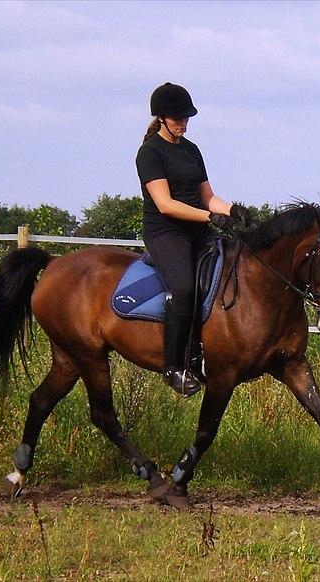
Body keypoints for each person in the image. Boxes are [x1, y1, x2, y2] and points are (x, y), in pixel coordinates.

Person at [135, 82, 248, 396]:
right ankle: (174, 366)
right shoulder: (149, 153)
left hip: (198, 229)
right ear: (162, 118)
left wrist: (234, 210)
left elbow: (208, 197)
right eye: (178, 119)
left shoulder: (191, 150)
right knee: (184, 288)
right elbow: (166, 204)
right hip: (166, 233)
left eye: (186, 118)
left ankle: (206, 351)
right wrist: (209, 217)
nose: (183, 124)